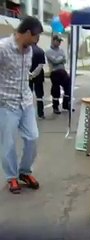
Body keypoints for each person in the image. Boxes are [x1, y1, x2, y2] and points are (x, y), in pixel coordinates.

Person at [0, 16, 43, 194]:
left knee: (33, 138)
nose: (37, 41)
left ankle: (24, 171)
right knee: (8, 143)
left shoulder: (29, 50)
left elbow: (26, 75)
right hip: (6, 103)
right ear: (26, 33)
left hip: (25, 101)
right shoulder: (2, 49)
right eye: (36, 37)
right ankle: (11, 177)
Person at [46, 35, 70, 114]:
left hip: (62, 71)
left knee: (68, 86)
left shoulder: (61, 50)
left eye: (60, 41)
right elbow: (54, 61)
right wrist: (61, 59)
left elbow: (64, 59)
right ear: (53, 41)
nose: (59, 43)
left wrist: (60, 59)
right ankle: (55, 107)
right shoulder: (49, 51)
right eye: (58, 41)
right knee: (56, 90)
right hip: (54, 71)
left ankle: (66, 105)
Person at [29, 42, 46, 119]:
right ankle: (40, 113)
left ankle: (27, 113)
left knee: (28, 94)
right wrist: (34, 74)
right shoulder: (40, 51)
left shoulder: (26, 51)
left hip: (28, 76)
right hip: (39, 76)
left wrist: (30, 74)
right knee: (39, 95)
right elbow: (40, 65)